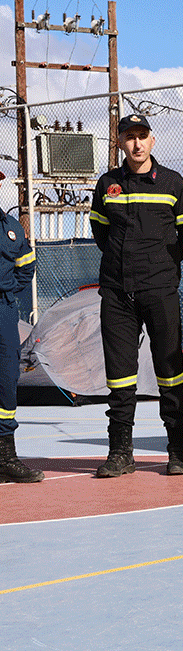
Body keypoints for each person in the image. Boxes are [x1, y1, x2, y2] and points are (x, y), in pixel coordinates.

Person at [89, 114, 183, 478]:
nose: (136, 143)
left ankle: (178, 452)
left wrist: (162, 264)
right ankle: (120, 453)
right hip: (117, 293)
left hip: (160, 290)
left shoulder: (172, 183)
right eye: (129, 137)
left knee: (170, 372)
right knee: (120, 376)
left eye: (142, 136)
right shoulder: (107, 184)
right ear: (120, 142)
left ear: (152, 140)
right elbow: (101, 233)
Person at [0, 185, 39, 483]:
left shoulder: (12, 228)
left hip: (3, 310)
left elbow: (26, 266)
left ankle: (5, 457)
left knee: (6, 378)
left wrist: (9, 292)